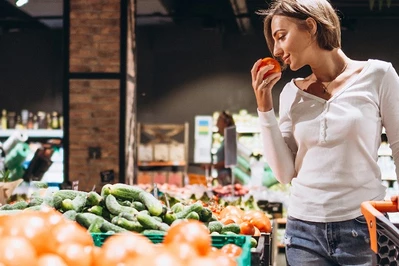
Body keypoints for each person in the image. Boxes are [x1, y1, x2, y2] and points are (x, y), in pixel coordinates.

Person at [250, 0, 399, 265]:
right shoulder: (290, 93)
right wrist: (264, 105)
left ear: (310, 27)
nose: (276, 50)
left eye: (281, 36)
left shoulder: (378, 75)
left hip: (365, 226)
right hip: (303, 231)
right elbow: (284, 173)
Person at [203, 111, 236, 186]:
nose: (216, 124)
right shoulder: (225, 139)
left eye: (218, 121)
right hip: (222, 178)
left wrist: (211, 166)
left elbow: (230, 161)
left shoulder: (230, 140)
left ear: (225, 123)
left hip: (227, 179)